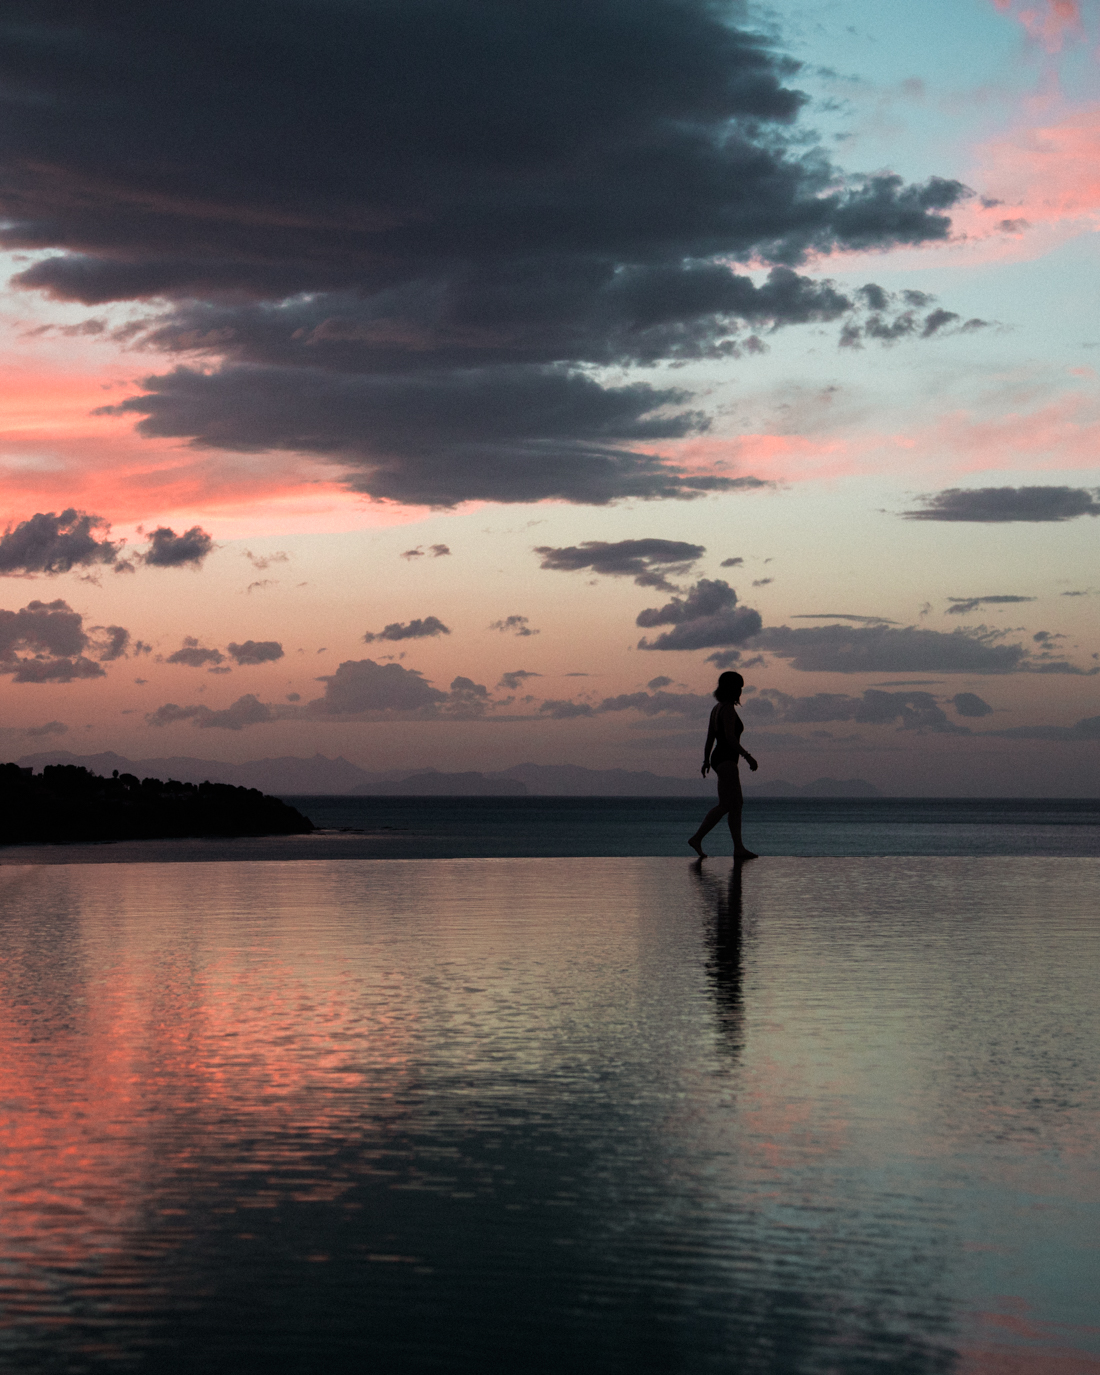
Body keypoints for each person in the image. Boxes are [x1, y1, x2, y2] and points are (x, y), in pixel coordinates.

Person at [688, 670, 758, 861]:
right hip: (727, 759)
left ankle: (738, 848)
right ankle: (697, 838)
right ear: (731, 688)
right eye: (739, 688)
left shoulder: (716, 708)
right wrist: (747, 756)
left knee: (736, 804)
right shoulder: (726, 709)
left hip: (720, 758)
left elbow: (710, 737)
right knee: (728, 804)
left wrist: (706, 760)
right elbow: (729, 737)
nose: (740, 692)